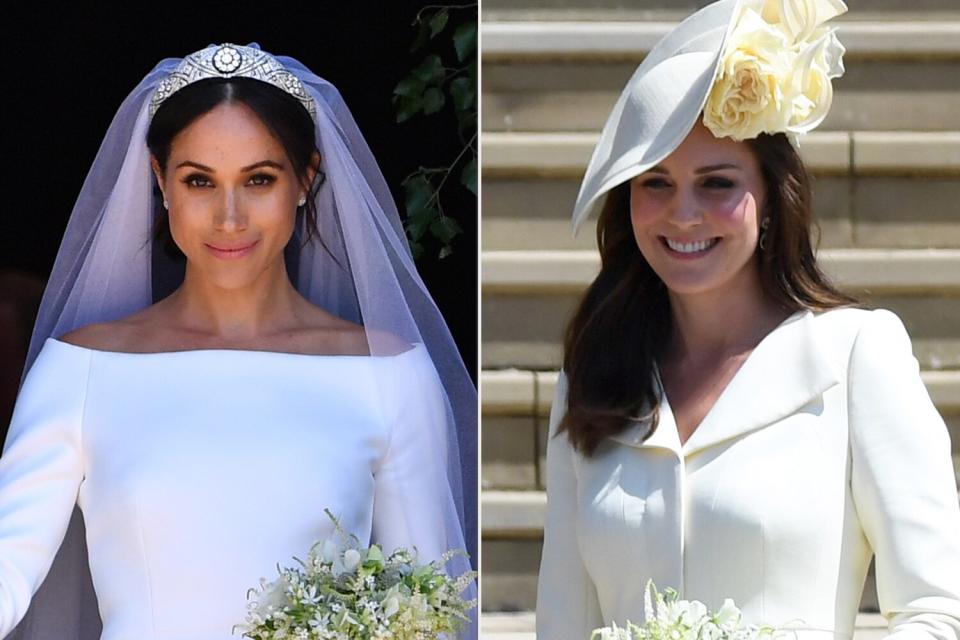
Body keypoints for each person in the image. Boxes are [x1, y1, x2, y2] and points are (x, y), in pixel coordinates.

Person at [0, 43, 476, 640]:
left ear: (305, 180)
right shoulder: (81, 370)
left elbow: (435, 609)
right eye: (200, 180)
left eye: (258, 179)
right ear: (160, 181)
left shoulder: (389, 374)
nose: (229, 217)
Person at [535, 1, 960, 639]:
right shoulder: (590, 375)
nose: (682, 214)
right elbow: (562, 621)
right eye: (655, 182)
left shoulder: (856, 354)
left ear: (769, 202)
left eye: (716, 183)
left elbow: (936, 609)